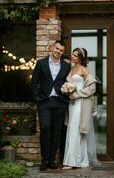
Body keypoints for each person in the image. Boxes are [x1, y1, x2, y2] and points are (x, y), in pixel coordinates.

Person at [31, 40, 70, 171]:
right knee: (45, 128)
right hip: (45, 102)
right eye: (57, 48)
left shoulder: (66, 66)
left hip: (60, 102)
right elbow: (34, 82)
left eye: (61, 50)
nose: (58, 51)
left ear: (62, 52)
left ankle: (52, 159)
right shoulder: (41, 63)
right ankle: (44, 159)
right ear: (52, 48)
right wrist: (37, 98)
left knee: (56, 131)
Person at [62, 47, 97, 169]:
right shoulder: (72, 69)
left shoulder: (84, 69)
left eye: (75, 55)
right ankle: (81, 160)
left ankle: (72, 162)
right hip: (71, 104)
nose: (72, 56)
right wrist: (67, 91)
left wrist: (77, 94)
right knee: (72, 129)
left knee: (76, 130)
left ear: (81, 58)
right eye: (72, 54)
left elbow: (92, 88)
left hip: (80, 104)